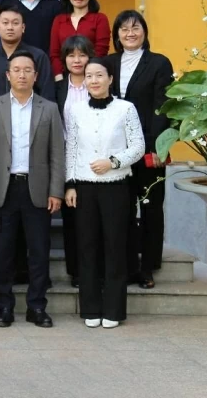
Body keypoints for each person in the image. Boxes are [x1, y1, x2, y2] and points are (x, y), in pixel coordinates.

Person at [0, 50, 65, 328]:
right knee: (3, 252)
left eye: (27, 70)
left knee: (39, 252)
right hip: (3, 189)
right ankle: (4, 307)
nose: (21, 74)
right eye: (16, 70)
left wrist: (56, 191)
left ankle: (37, 307)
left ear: (35, 75)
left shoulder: (49, 108)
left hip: (38, 190)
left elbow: (57, 153)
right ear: (7, 75)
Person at [64, 60, 144, 329]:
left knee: (115, 247)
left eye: (99, 75)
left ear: (111, 78)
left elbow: (138, 147)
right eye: (89, 76)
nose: (94, 80)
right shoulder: (75, 111)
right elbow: (71, 148)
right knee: (86, 248)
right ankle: (90, 307)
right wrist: (70, 184)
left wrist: (113, 161)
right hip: (84, 188)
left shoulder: (126, 109)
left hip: (116, 186)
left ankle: (113, 309)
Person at [104, 10, 175, 289]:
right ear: (117, 34)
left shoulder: (159, 63)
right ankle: (126, 265)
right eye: (123, 29)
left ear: (144, 32)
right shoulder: (108, 62)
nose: (130, 33)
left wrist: (159, 145)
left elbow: (162, 107)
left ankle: (148, 267)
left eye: (135, 28)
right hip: (116, 150)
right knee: (121, 209)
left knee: (150, 208)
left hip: (148, 149)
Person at [56, 34, 96, 285]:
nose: (77, 60)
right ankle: (76, 271)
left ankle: (95, 269)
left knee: (92, 218)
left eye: (82, 54)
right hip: (66, 157)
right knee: (72, 219)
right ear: (65, 59)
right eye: (71, 55)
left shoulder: (100, 84)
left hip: (96, 159)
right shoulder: (57, 87)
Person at [0, 5, 56, 102]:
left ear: (23, 27)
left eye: (15, 23)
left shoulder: (38, 56)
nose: (10, 27)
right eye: (5, 23)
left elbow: (47, 94)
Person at [49, 0, 111, 75]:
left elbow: (101, 51)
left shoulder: (100, 19)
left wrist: (88, 73)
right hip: (64, 77)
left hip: (92, 76)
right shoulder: (59, 20)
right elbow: (54, 54)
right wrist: (59, 76)